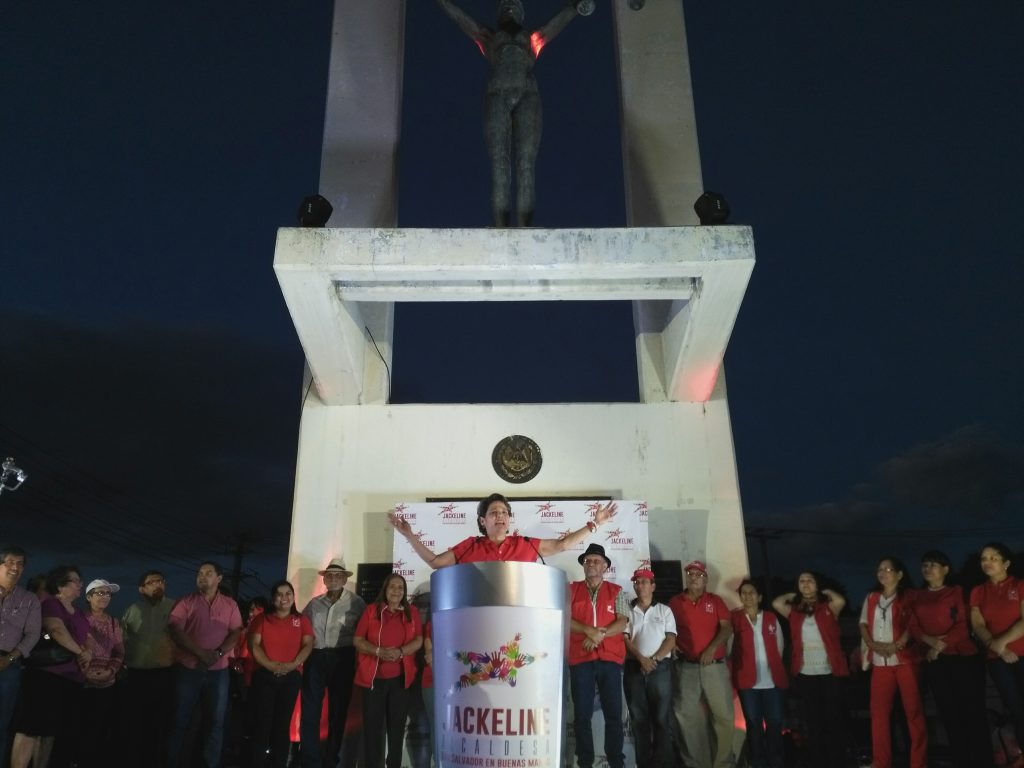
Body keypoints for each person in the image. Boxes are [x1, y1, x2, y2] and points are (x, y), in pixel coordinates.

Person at [433, 0, 585, 226]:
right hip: (497, 94)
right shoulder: (489, 38)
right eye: (504, 5)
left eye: (514, 4)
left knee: (526, 164)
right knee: (499, 165)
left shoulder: (532, 39)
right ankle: (501, 228)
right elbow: (461, 19)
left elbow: (553, 26)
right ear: (499, 16)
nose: (509, 7)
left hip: (527, 94)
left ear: (522, 14)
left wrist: (574, 9)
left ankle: (525, 228)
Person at [911, 549, 992, 768]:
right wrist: (932, 642)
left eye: (933, 564)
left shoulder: (956, 591)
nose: (928, 569)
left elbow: (963, 625)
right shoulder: (917, 596)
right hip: (935, 661)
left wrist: (940, 645)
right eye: (925, 565)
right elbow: (913, 627)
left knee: (973, 711)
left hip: (963, 658)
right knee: (948, 712)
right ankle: (961, 761)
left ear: (945, 569)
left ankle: (984, 761)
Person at [389, 492, 617, 568]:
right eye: (493, 513)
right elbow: (436, 562)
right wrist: (409, 535)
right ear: (483, 521)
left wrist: (595, 524)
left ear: (509, 520)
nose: (500, 516)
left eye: (504, 512)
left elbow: (562, 544)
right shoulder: (469, 546)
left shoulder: (525, 544)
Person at [11, 565, 90, 768]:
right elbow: (56, 630)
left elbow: (86, 638)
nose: (80, 584)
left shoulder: (79, 613)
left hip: (71, 679)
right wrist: (81, 653)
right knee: (31, 728)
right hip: (45, 676)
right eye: (75, 581)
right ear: (60, 585)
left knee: (49, 732)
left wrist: (87, 653)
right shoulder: (50, 604)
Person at [166, 561, 243, 768]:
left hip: (219, 672)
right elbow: (175, 630)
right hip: (189, 669)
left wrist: (218, 653)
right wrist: (202, 654)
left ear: (219, 578)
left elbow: (236, 632)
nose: (202, 576)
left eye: (208, 573)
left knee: (215, 723)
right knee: (179, 720)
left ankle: (210, 764)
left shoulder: (230, 605)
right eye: (200, 573)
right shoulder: (186, 602)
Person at [771, 571, 848, 768]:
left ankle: (837, 761)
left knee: (834, 718)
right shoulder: (794, 610)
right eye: (801, 581)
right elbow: (777, 603)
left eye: (810, 580)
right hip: (806, 672)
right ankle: (818, 761)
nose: (805, 584)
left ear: (817, 584)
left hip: (830, 670)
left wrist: (824, 592)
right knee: (813, 721)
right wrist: (793, 595)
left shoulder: (828, 607)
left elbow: (840, 600)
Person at [858, 556, 927, 768]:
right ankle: (881, 762)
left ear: (900, 574)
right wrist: (872, 644)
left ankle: (918, 763)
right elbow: (863, 623)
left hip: (905, 661)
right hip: (881, 664)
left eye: (888, 569)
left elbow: (914, 623)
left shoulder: (910, 596)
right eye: (880, 569)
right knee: (878, 714)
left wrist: (897, 645)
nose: (883, 573)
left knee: (913, 713)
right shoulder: (872, 597)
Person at [668, 559, 734, 768]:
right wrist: (671, 643)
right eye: (690, 574)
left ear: (706, 579)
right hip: (686, 667)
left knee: (723, 716)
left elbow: (727, 628)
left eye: (698, 575)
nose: (693, 578)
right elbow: (667, 628)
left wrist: (712, 648)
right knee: (685, 716)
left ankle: (723, 764)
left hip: (714, 666)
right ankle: (695, 764)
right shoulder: (675, 602)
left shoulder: (715, 601)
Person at [300, 558, 366, 768]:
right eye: (329, 575)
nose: (333, 579)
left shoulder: (357, 603)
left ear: (345, 579)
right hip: (316, 657)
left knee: (338, 712)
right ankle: (310, 761)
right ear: (325, 579)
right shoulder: (314, 604)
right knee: (310, 711)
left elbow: (365, 631)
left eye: (338, 575)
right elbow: (302, 629)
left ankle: (331, 760)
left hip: (343, 657)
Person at [352, 573, 423, 768]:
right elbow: (357, 640)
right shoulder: (371, 610)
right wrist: (378, 651)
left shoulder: (412, 612)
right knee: (372, 731)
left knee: (397, 731)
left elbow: (418, 640)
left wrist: (400, 652)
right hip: (373, 680)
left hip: (401, 680)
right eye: (392, 586)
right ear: (385, 589)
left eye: (400, 587)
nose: (396, 591)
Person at [568, 543, 629, 768]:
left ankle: (616, 761)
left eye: (596, 561)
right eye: (587, 561)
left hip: (610, 660)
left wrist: (598, 635)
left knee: (614, 715)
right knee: (582, 716)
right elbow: (564, 618)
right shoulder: (570, 590)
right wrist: (588, 630)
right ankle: (584, 762)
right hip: (580, 659)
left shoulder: (617, 591)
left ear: (605, 566)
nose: (591, 564)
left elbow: (622, 622)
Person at [248, 580, 314, 768]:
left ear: (293, 597)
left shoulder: (302, 620)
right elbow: (254, 645)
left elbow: (308, 644)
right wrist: (270, 665)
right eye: (279, 594)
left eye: (288, 594)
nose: (283, 598)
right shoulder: (262, 619)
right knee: (262, 724)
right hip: (264, 676)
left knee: (282, 725)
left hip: (291, 677)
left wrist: (293, 665)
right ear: (273, 598)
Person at [970, 542, 1024, 761]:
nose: (987, 562)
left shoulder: (1020, 585)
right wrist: (998, 649)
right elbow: (977, 624)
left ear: (1006, 563)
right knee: (1016, 709)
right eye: (984, 558)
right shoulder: (978, 591)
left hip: (1022, 652)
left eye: (993, 558)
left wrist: (1002, 642)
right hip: (997, 659)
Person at [120, 569, 176, 768]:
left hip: (165, 674)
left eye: (160, 581)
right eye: (152, 582)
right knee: (136, 723)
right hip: (137, 676)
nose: (158, 585)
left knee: (161, 723)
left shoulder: (175, 608)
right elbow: (122, 641)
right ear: (141, 589)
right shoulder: (132, 610)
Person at [622, 567, 676, 768]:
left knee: (662, 719)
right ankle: (643, 764)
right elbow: (625, 639)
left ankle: (663, 764)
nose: (639, 585)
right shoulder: (627, 610)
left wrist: (653, 659)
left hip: (660, 668)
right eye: (636, 582)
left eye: (644, 582)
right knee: (639, 720)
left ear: (653, 586)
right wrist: (642, 660)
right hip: (634, 668)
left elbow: (671, 639)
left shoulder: (664, 610)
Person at [730, 579, 787, 768]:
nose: (748, 596)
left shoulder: (770, 618)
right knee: (753, 725)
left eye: (752, 592)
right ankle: (758, 763)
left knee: (775, 723)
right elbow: (730, 648)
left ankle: (776, 762)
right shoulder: (735, 618)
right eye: (744, 593)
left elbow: (780, 646)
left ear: (760, 597)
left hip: (772, 681)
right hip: (748, 682)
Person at [76, 579, 125, 768]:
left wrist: (111, 671)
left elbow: (119, 651)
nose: (105, 596)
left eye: (108, 594)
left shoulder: (113, 622)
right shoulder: (79, 617)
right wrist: (84, 673)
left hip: (106, 683)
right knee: (79, 725)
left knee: (99, 726)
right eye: (100, 593)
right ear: (89, 597)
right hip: (81, 682)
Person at [0, 546, 40, 768]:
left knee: (2, 722)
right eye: (10, 562)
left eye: (20, 563)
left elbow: (33, 634)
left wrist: (11, 659)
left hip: (8, 666)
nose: (15, 567)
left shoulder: (29, 599)